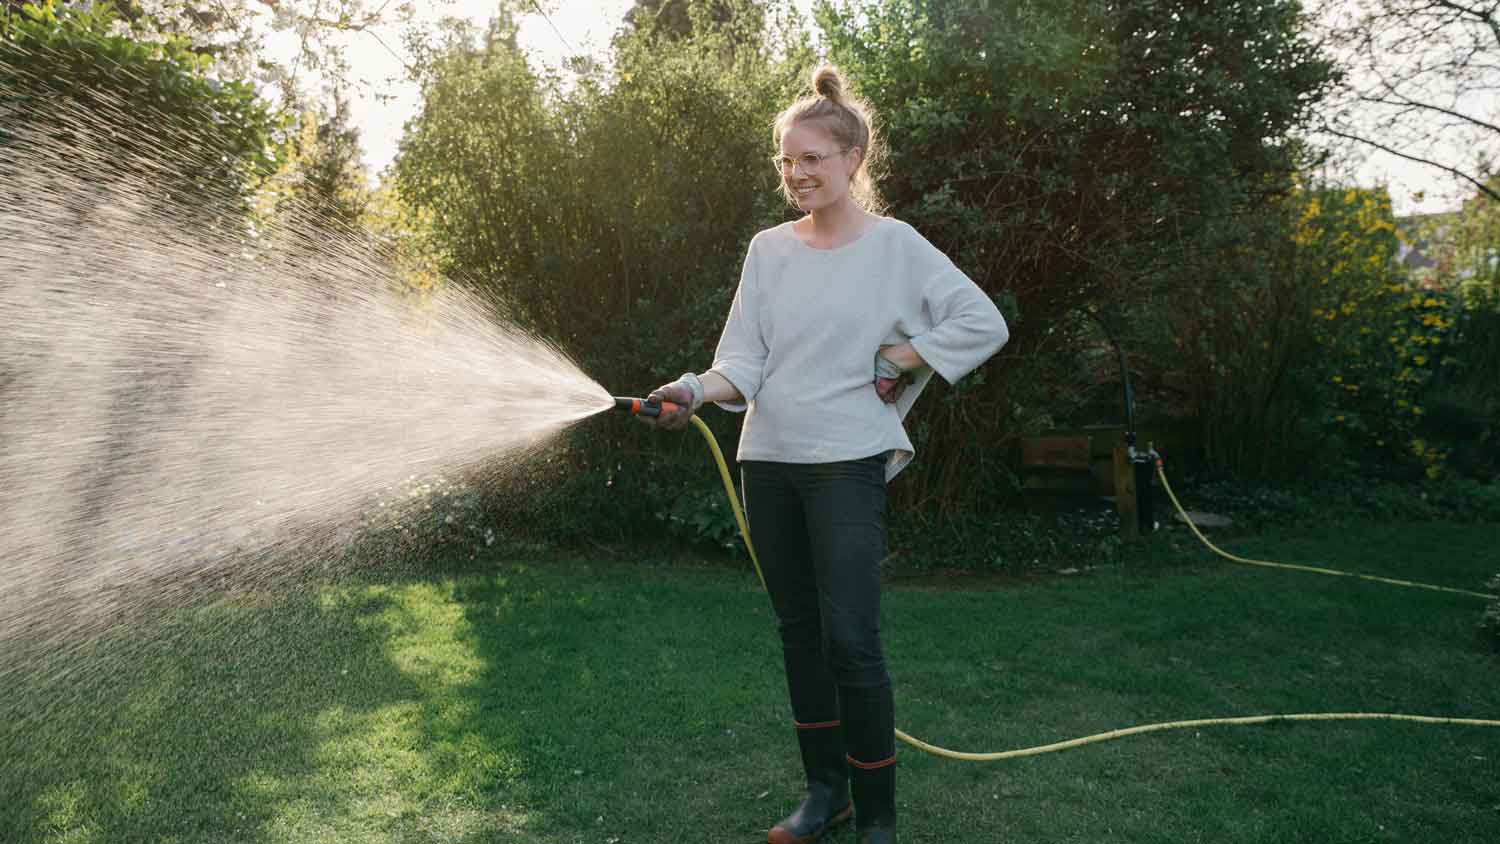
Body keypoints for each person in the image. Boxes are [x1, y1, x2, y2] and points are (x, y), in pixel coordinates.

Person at [642, 64, 1009, 844]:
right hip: (768, 462)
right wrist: (691, 392)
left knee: (852, 638)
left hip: (846, 463)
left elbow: (983, 322)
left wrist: (907, 357)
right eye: (786, 158)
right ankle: (825, 795)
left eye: (811, 157)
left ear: (853, 160)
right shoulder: (768, 252)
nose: (796, 173)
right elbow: (741, 362)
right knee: (800, 635)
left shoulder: (897, 248)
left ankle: (879, 817)